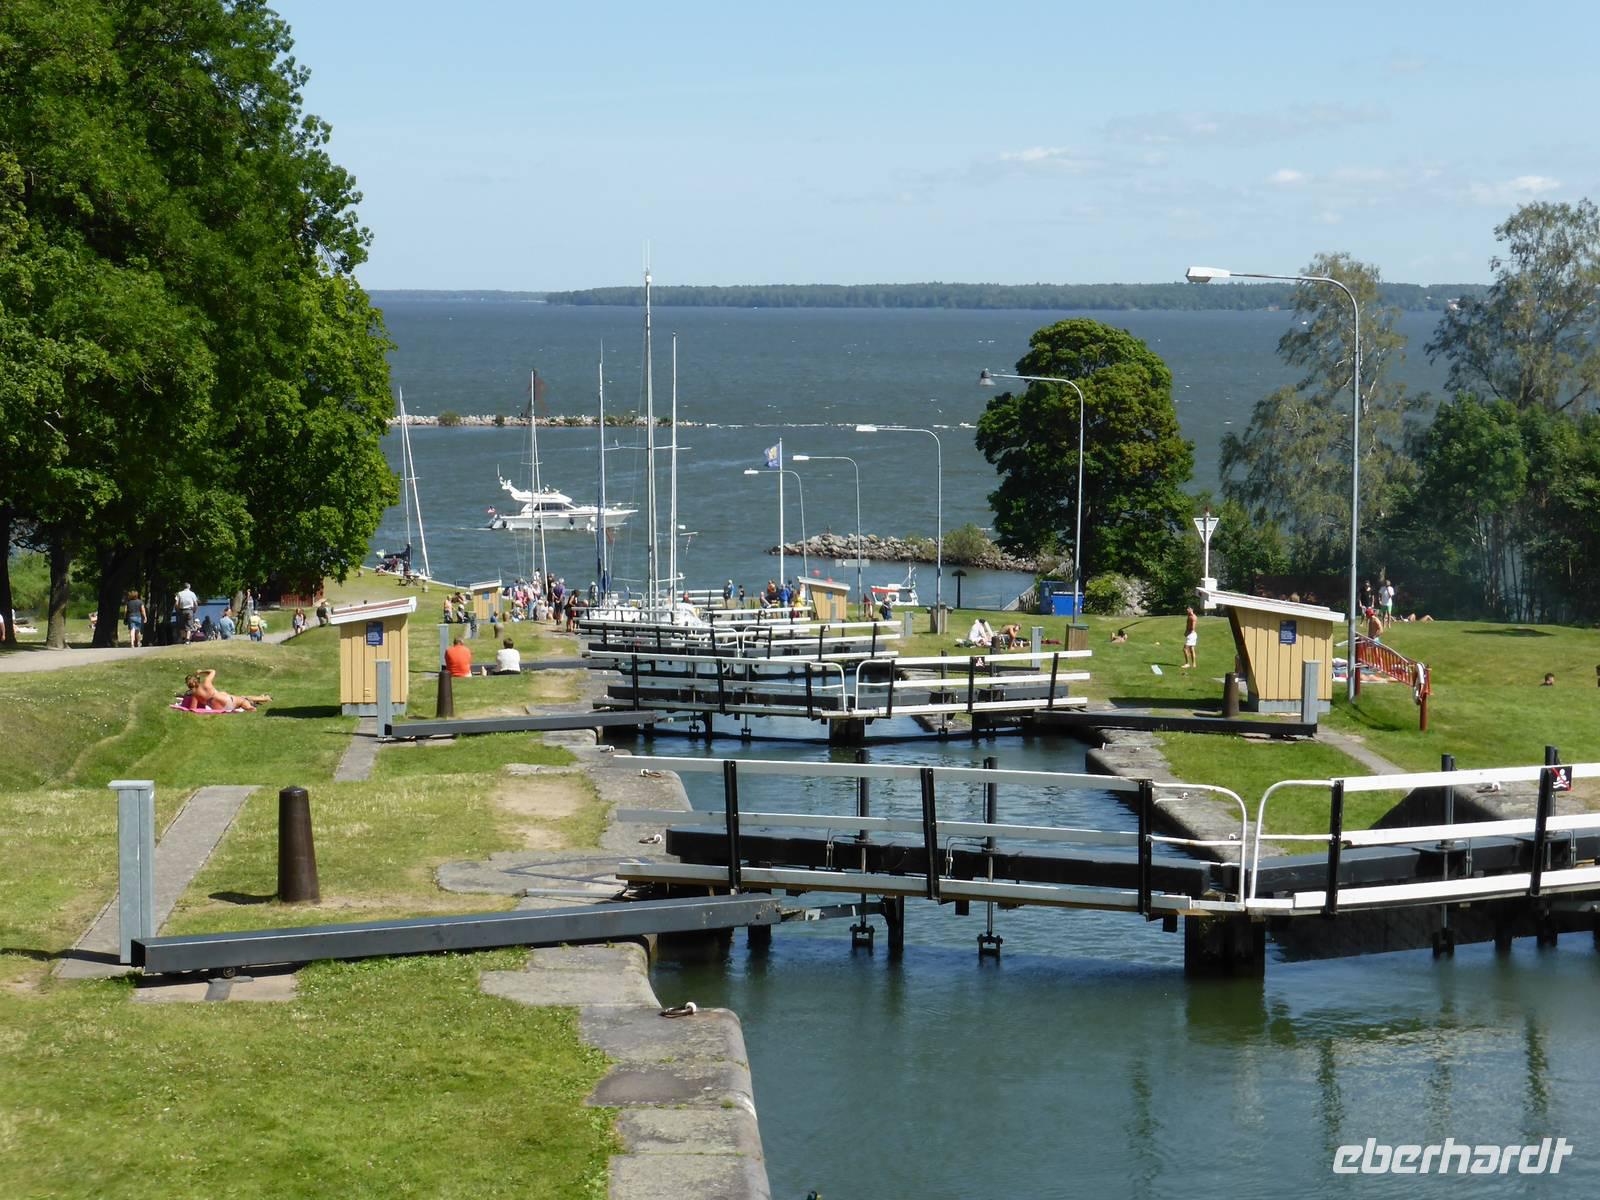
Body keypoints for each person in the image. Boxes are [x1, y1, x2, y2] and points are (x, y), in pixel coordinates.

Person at [184, 669, 271, 712]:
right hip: (227, 701)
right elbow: (213, 671)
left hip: (219, 708)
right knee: (243, 700)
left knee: (240, 697)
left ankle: (261, 698)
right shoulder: (207, 683)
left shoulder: (195, 695)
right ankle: (251, 705)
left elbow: (193, 709)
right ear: (197, 680)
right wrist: (201, 671)